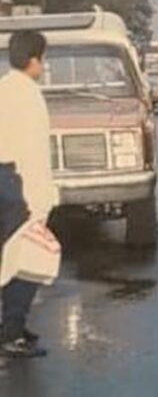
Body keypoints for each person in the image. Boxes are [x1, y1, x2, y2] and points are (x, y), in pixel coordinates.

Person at [0, 30, 56, 359]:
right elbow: (34, 153)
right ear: (34, 60)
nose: (44, 66)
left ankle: (12, 325)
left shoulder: (3, 89)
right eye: (43, 59)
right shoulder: (30, 97)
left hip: (4, 177)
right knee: (25, 259)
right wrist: (41, 202)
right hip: (17, 182)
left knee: (9, 254)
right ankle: (11, 332)